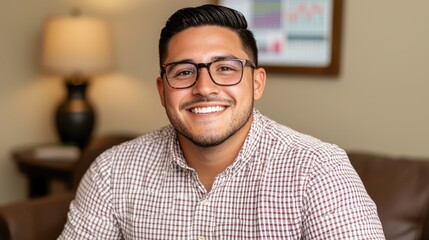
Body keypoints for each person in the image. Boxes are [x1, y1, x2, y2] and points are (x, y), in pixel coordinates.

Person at [59, 4, 385, 239]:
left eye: (226, 68)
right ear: (162, 90)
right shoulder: (113, 172)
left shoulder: (318, 171)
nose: (204, 88)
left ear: (256, 83)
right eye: (184, 72)